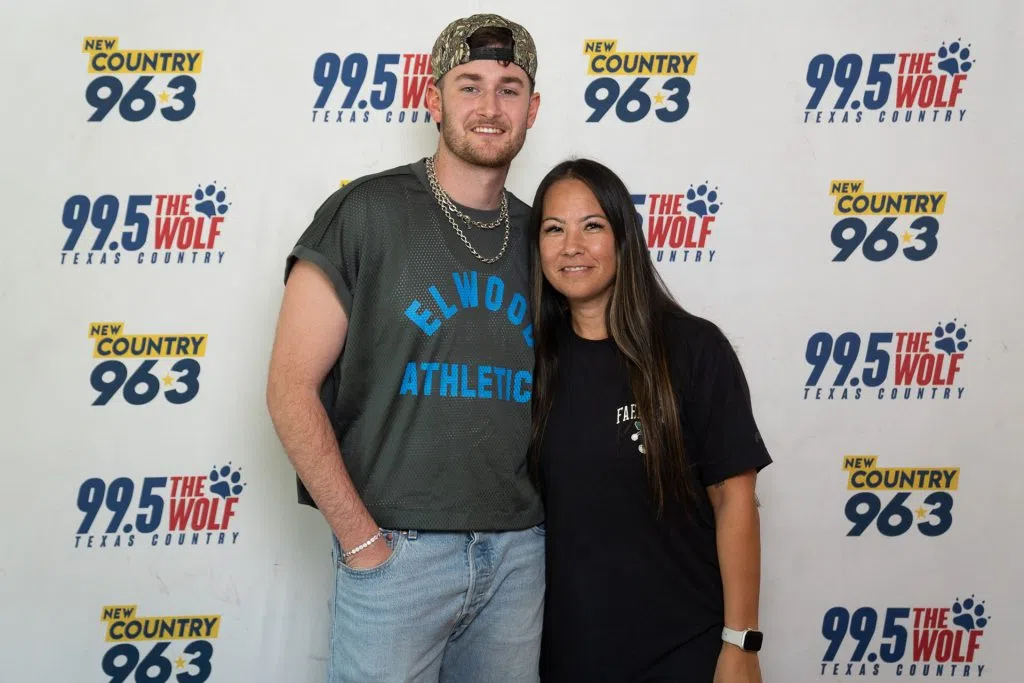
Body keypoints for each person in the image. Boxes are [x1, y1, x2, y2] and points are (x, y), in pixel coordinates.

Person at [265, 14, 544, 683]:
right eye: (469, 85)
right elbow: (289, 388)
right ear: (432, 99)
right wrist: (363, 540)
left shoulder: (545, 237)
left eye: (508, 89)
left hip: (518, 557)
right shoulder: (365, 213)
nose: (489, 107)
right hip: (397, 552)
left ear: (532, 110)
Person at [529, 158, 771, 682]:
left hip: (685, 651)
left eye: (592, 226)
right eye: (554, 229)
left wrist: (741, 643)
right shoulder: (532, 362)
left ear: (624, 236)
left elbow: (734, 501)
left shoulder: (693, 349)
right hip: (569, 656)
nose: (572, 246)